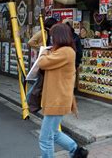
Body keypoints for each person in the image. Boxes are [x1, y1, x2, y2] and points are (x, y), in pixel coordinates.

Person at [38, 23, 88, 158]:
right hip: (58, 98)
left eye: (52, 35)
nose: (51, 38)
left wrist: (43, 51)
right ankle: (76, 151)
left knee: (45, 137)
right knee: (53, 133)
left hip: (57, 99)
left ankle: (75, 151)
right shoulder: (63, 51)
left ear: (58, 36)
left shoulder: (65, 51)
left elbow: (42, 62)